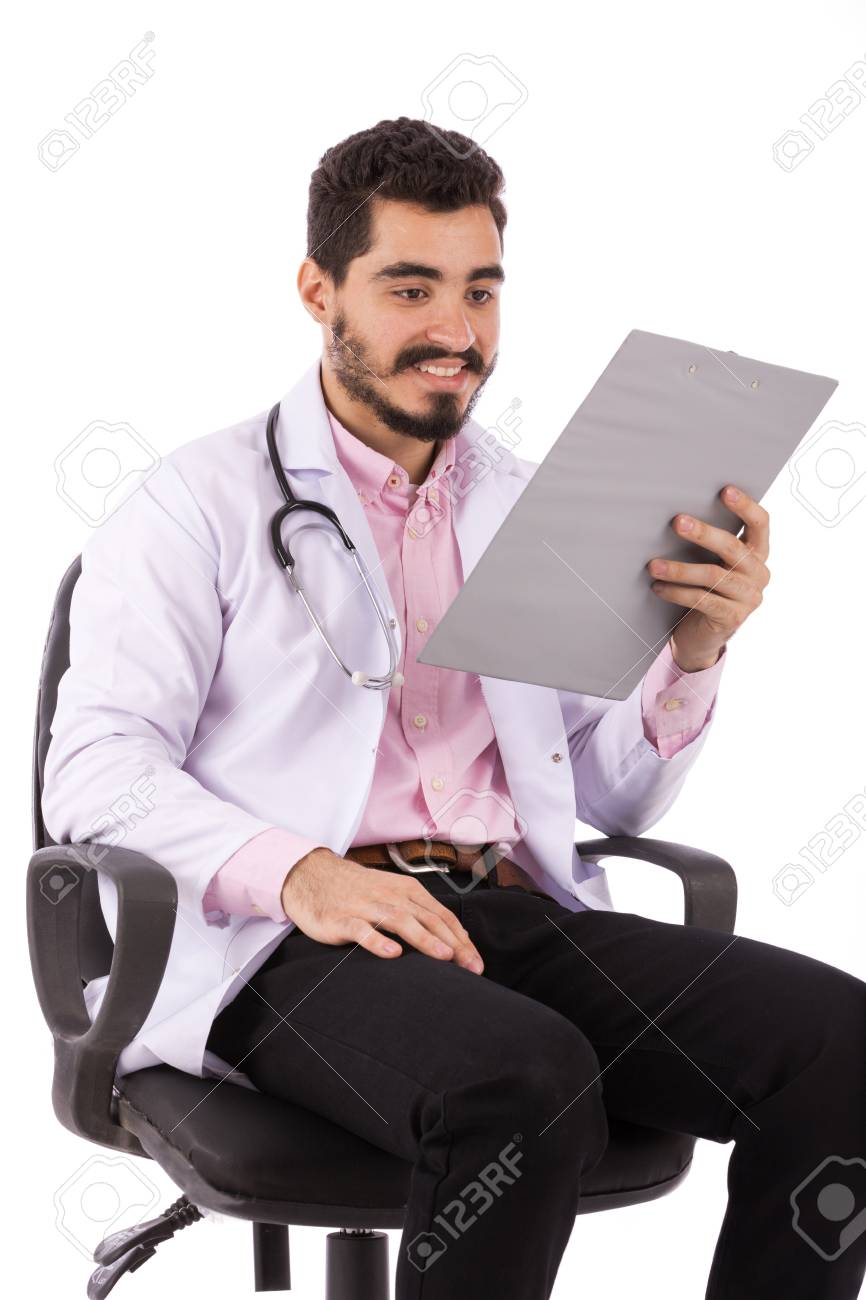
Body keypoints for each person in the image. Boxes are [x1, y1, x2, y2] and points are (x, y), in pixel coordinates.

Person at [44, 116, 866, 1299]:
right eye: (409, 287)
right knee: (522, 1082)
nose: (455, 332)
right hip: (286, 942)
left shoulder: (538, 509)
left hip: (503, 912)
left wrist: (690, 651)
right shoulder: (193, 506)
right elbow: (97, 770)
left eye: (480, 291)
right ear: (318, 290)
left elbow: (604, 793)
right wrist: (299, 873)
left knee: (839, 1046)